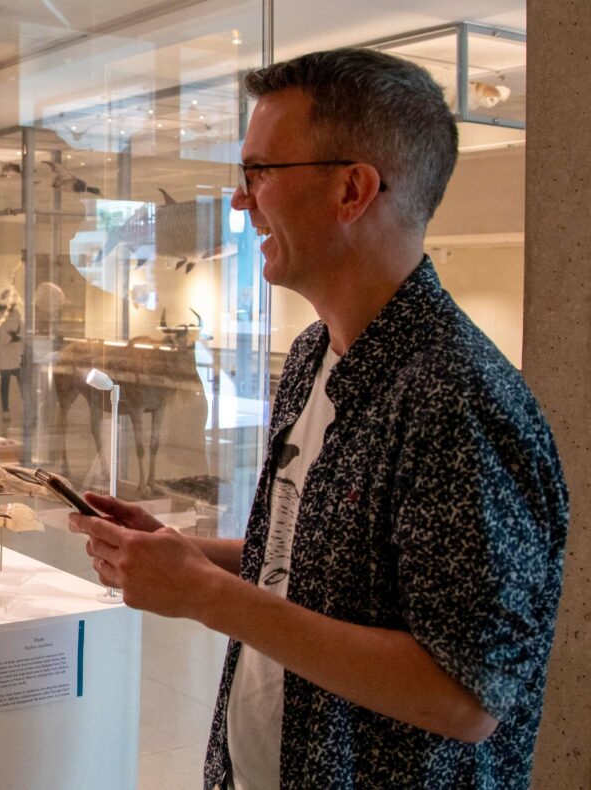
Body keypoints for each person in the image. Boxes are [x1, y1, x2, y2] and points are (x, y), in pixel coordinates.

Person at [69, 48, 568, 790]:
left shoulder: (456, 400)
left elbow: (467, 697)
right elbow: (313, 562)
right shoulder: (314, 355)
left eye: (261, 172)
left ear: (352, 190)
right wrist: (184, 553)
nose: (243, 202)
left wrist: (207, 597)